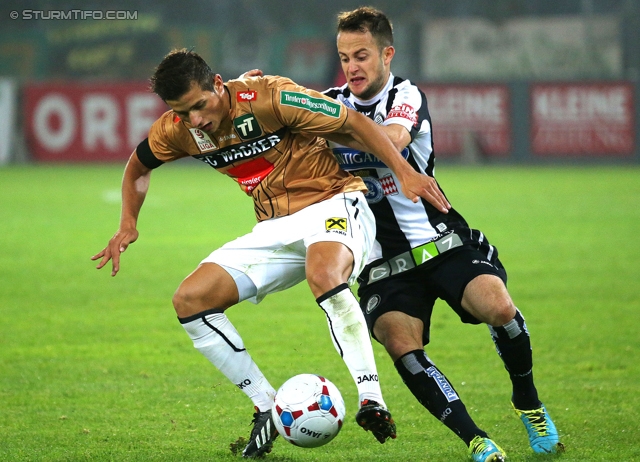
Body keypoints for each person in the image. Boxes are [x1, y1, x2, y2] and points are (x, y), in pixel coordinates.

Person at [91, 48, 452, 458]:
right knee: (190, 300)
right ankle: (266, 407)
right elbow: (137, 167)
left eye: (199, 106)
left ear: (218, 84)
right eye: (182, 112)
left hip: (334, 202)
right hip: (273, 227)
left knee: (324, 275)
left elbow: (353, 123)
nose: (195, 120)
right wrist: (128, 223)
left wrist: (406, 173)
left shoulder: (271, 97)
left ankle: (371, 399)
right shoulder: (177, 129)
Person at [324, 7, 563, 462]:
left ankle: (528, 403)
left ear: (387, 54)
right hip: (381, 263)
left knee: (499, 307)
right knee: (400, 343)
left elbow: (392, 139)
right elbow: (283, 119)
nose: (352, 67)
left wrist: (330, 133)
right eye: (344, 57)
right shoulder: (330, 101)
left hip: (439, 241)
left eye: (361, 55)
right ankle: (476, 439)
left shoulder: (405, 94)